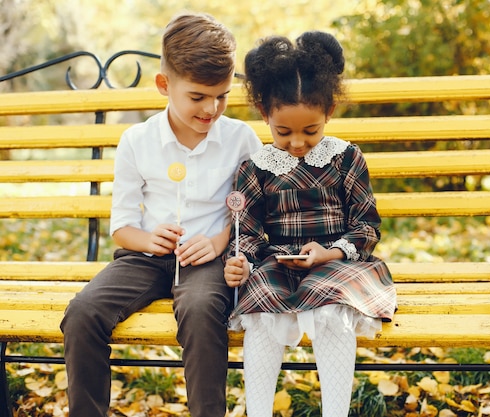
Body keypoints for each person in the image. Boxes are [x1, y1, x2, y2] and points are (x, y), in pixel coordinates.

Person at [60, 12, 262, 417]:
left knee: (202, 309)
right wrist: (147, 239)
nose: (212, 108)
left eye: (221, 95)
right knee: (82, 313)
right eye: (198, 97)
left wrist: (220, 241)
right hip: (145, 259)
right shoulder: (137, 141)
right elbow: (121, 226)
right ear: (164, 85)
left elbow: (254, 211)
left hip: (208, 260)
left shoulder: (241, 139)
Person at [223, 31, 397, 417]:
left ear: (329, 112)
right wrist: (241, 261)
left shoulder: (346, 159)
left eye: (310, 131)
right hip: (279, 262)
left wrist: (331, 251)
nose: (298, 143)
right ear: (263, 112)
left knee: (329, 309)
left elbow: (366, 226)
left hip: (341, 262)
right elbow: (247, 233)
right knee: (263, 311)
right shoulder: (256, 168)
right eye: (283, 132)